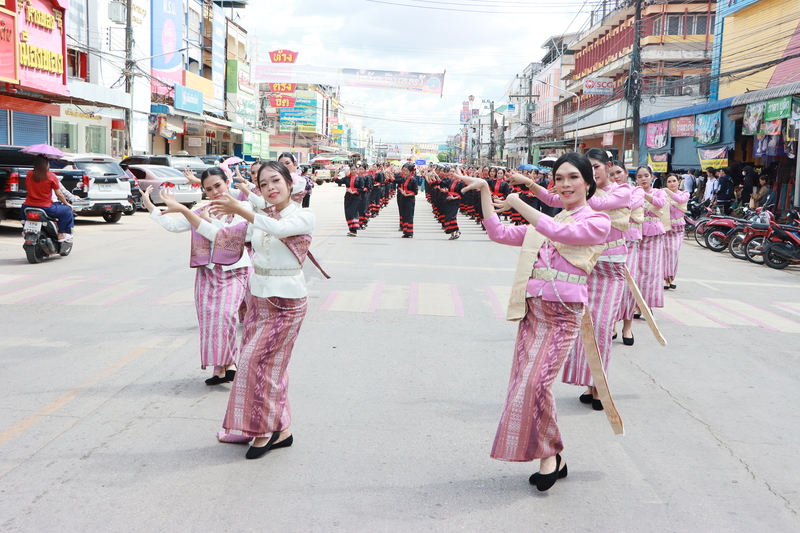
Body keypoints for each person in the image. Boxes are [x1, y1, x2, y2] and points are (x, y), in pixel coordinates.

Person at [458, 153, 611, 492]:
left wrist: (517, 202)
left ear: (588, 182)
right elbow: (498, 232)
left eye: (573, 177)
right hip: (533, 313)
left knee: (536, 385)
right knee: (524, 385)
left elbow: (558, 231)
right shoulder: (548, 222)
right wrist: (485, 191)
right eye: (559, 178)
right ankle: (553, 454)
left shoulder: (597, 221)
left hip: (563, 316)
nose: (565, 184)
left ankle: (550, 454)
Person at [210, 161, 315, 459]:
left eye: (275, 181)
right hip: (258, 299)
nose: (270, 188)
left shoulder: (303, 216)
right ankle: (280, 430)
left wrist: (242, 208)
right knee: (269, 368)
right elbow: (223, 236)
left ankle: (265, 430)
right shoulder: (261, 217)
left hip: (288, 303)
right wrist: (185, 212)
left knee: (253, 364)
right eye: (263, 184)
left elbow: (278, 228)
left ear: (290, 184)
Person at [523, 147, 631, 410]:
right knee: (586, 330)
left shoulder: (622, 192)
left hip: (611, 267)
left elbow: (583, 201)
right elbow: (555, 198)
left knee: (602, 327)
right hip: (581, 268)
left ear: (607, 167)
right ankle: (590, 383)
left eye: (595, 167)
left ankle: (600, 386)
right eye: (588, 168)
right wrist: (530, 185)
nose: (592, 172)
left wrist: (576, 189)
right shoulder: (578, 193)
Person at [143, 167, 253, 385]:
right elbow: (173, 225)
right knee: (210, 321)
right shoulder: (203, 210)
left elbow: (227, 235)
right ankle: (220, 369)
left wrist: (206, 221)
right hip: (207, 272)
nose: (215, 192)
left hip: (234, 271)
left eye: (218, 186)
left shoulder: (243, 208)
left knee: (226, 317)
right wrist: (149, 205)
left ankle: (230, 363)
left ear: (227, 182)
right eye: (209, 189)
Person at [611, 160, 642, 345]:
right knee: (612, 286)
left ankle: (627, 326)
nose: (615, 177)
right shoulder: (604, 192)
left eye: (618, 172)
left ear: (625, 172)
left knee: (629, 286)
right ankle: (612, 324)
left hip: (630, 242)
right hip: (610, 243)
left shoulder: (636, 191)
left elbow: (630, 203)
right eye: (611, 174)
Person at [634, 165, 667, 319]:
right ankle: (635, 304)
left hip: (654, 234)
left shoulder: (659, 192)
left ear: (651, 176)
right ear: (636, 178)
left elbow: (660, 203)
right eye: (640, 176)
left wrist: (643, 194)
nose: (643, 179)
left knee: (651, 271)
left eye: (646, 175)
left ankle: (647, 304)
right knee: (635, 270)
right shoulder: (632, 193)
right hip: (636, 233)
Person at [21, 155, 74, 242]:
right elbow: (59, 193)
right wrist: (66, 203)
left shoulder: (29, 174)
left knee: (23, 216)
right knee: (67, 210)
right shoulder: (51, 176)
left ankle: (25, 230)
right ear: (46, 164)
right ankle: (61, 234)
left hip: (27, 206)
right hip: (46, 207)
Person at [663, 173, 689, 290]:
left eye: (674, 181)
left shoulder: (684, 194)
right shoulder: (663, 195)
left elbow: (680, 200)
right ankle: (666, 279)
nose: (672, 183)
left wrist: (667, 191)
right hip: (666, 228)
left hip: (678, 229)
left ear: (678, 182)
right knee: (665, 253)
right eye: (669, 181)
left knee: (674, 252)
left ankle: (671, 276)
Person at [397, 162, 419, 238]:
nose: (404, 172)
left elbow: (415, 192)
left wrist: (407, 194)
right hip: (403, 199)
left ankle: (409, 232)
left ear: (411, 171)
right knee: (404, 215)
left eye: (406, 171)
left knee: (409, 216)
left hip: (410, 200)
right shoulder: (404, 179)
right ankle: (405, 231)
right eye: (404, 170)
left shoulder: (413, 180)